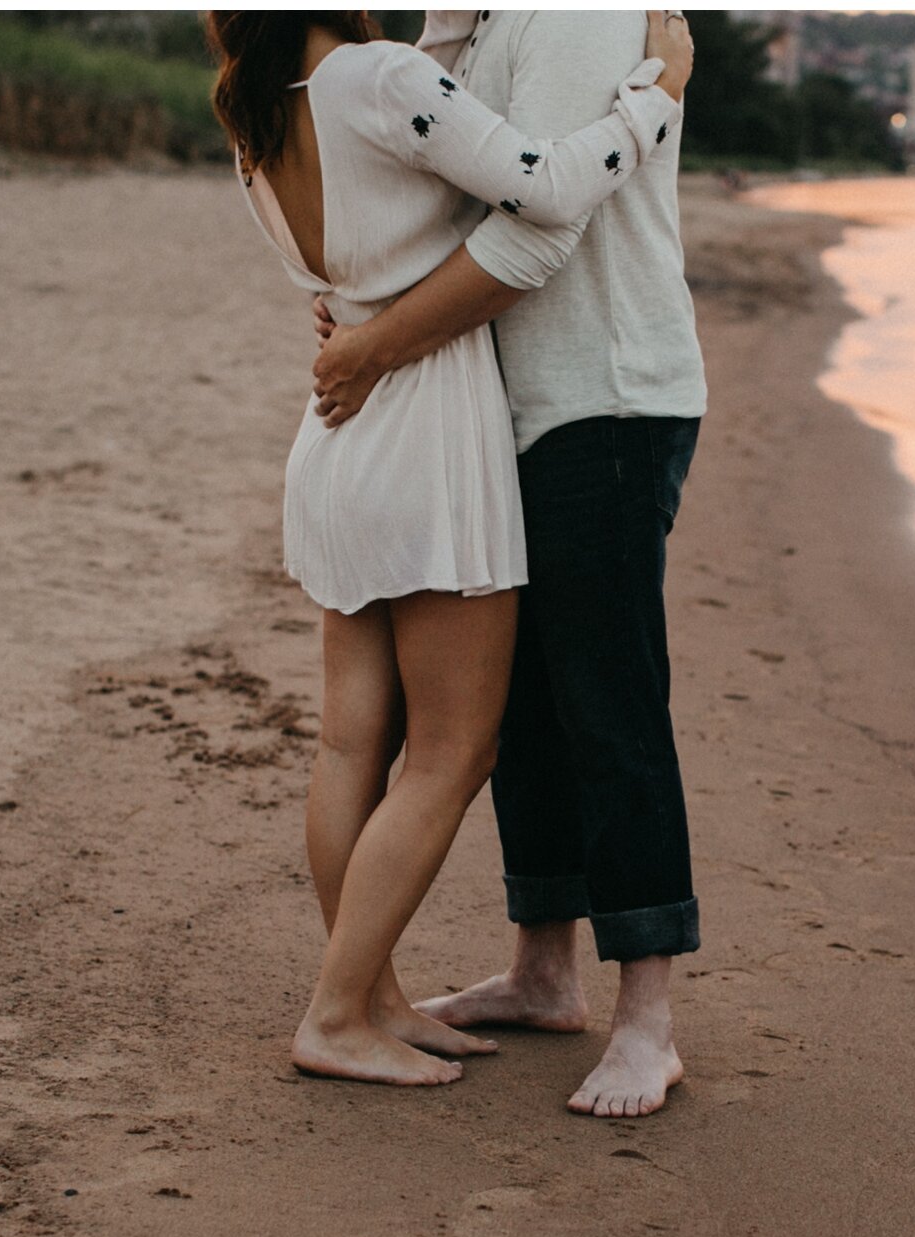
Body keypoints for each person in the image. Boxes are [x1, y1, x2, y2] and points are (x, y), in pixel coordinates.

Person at [209, 8, 693, 1087]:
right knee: (457, 748)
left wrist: (364, 327)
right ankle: (349, 1009)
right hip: (430, 424)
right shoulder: (389, 69)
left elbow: (479, 227)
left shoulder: (258, 97)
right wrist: (656, 99)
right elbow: (541, 201)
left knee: (371, 741)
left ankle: (401, 997)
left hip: (397, 424)